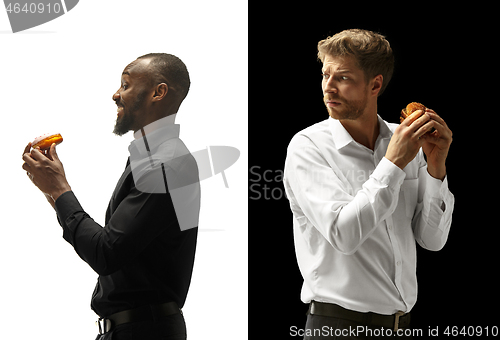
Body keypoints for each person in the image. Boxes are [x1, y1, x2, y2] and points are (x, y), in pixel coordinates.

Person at [283, 29, 454, 339]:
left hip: (401, 327)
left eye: (343, 78)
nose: (329, 88)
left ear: (375, 84)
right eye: (325, 75)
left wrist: (436, 167)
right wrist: (392, 165)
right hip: (336, 329)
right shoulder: (308, 147)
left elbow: (432, 240)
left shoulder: (404, 141)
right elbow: (344, 235)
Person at [22, 53, 200, 340]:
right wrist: (52, 191)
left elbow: (106, 253)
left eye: (126, 85)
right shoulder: (153, 159)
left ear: (159, 92)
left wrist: (59, 190)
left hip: (144, 333)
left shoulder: (165, 164)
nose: (115, 94)